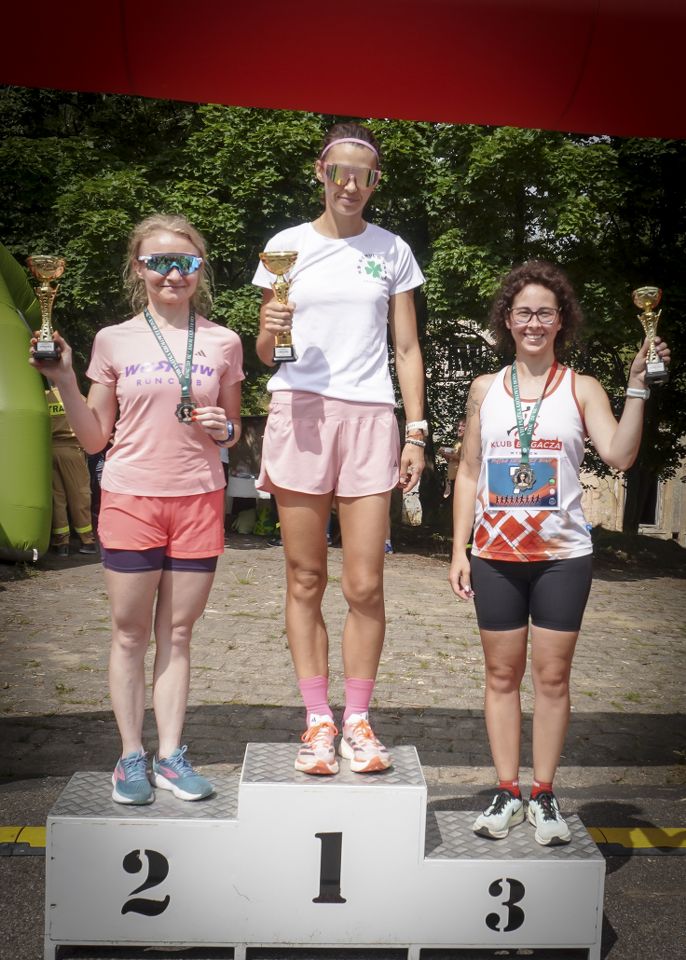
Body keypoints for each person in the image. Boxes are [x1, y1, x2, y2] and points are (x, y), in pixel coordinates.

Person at [449, 260, 670, 845]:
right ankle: (506, 790)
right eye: (523, 312)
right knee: (501, 674)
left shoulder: (581, 387)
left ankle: (543, 793)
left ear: (561, 320)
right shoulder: (484, 389)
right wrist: (459, 548)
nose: (534, 323)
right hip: (495, 555)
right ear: (507, 319)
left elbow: (620, 455)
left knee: (551, 677)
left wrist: (638, 387)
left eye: (545, 313)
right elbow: (468, 472)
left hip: (561, 557)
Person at [30, 214, 244, 804]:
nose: (173, 274)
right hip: (131, 498)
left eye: (186, 262)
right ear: (138, 268)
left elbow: (233, 429)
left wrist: (224, 427)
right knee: (130, 634)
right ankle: (130, 757)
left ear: (200, 269)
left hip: (198, 498)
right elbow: (94, 437)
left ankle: (170, 755)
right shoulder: (112, 340)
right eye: (159, 262)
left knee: (178, 632)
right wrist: (63, 379)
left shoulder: (225, 342)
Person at [254, 121, 426, 776]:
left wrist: (417, 430)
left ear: (375, 182)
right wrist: (269, 328)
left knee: (365, 583)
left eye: (364, 176)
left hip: (370, 417)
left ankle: (357, 718)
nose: (350, 185)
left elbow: (406, 347)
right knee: (305, 577)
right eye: (339, 173)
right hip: (299, 411)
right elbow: (267, 351)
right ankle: (317, 720)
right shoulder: (285, 247)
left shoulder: (392, 250)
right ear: (320, 174)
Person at [45, 385, 98, 556]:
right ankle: (87, 541)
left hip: (48, 450)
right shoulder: (77, 398)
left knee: (57, 498)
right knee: (80, 495)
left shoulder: (44, 398)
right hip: (72, 450)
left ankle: (61, 543)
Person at [439, 418, 465, 498]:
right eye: (458, 426)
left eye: (463, 426)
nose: (459, 428)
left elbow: (464, 459)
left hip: (462, 478)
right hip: (452, 478)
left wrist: (447, 454)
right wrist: (445, 455)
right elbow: (452, 460)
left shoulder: (468, 442)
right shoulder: (457, 442)